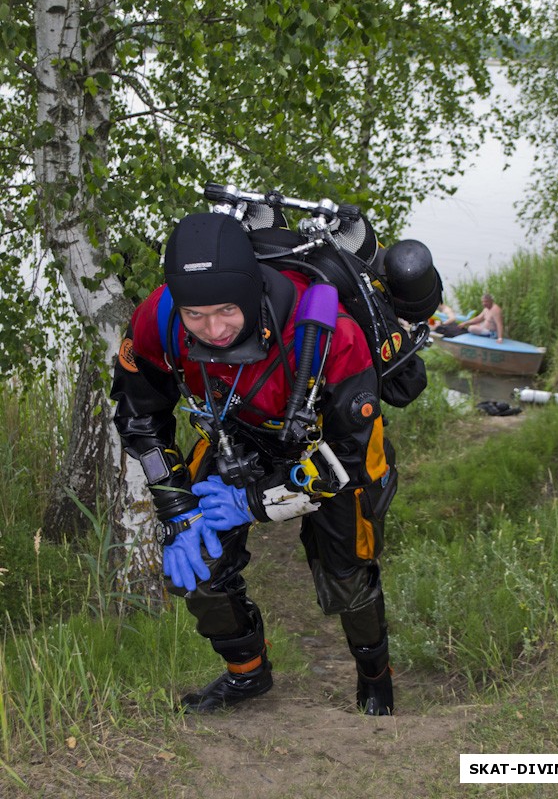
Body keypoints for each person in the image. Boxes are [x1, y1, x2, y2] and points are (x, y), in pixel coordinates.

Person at [110, 211, 427, 717]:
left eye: (226, 311)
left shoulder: (331, 334)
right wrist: (176, 508)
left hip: (329, 441)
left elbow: (346, 457)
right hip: (238, 435)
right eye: (196, 315)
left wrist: (255, 503)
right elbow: (139, 417)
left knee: (347, 571)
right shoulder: (159, 318)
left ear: (254, 290)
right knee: (198, 566)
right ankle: (246, 674)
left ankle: (375, 677)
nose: (212, 330)